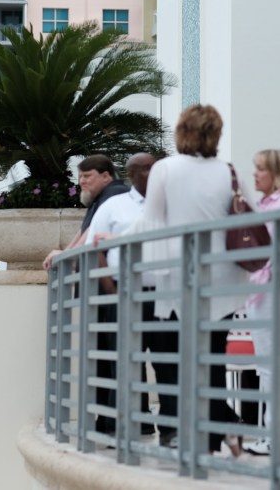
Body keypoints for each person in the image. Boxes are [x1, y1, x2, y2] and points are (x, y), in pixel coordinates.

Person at [131, 104, 251, 455]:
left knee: (176, 359)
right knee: (212, 357)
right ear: (216, 134)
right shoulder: (230, 171)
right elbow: (250, 217)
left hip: (176, 278)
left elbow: (152, 223)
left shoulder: (165, 169)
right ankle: (215, 434)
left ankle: (208, 431)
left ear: (181, 132)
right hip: (222, 278)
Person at [85, 153, 160, 437]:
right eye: (144, 169)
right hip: (124, 294)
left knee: (166, 363)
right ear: (131, 174)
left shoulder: (171, 204)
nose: (151, 174)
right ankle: (121, 426)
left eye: (154, 169)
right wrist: (112, 290)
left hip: (165, 295)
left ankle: (168, 429)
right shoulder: (114, 205)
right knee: (125, 361)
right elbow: (95, 247)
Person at [242, 149, 280, 456]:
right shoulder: (264, 204)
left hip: (274, 290)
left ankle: (275, 435)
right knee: (266, 365)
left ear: (277, 173)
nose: (255, 174)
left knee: (273, 365)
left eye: (261, 169)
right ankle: (272, 433)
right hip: (260, 290)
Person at [43, 154, 130, 270]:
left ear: (105, 176)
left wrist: (68, 253)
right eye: (81, 176)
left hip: (106, 273)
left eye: (87, 176)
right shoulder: (100, 196)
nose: (82, 181)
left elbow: (93, 228)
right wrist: (66, 253)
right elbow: (85, 229)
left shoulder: (114, 191)